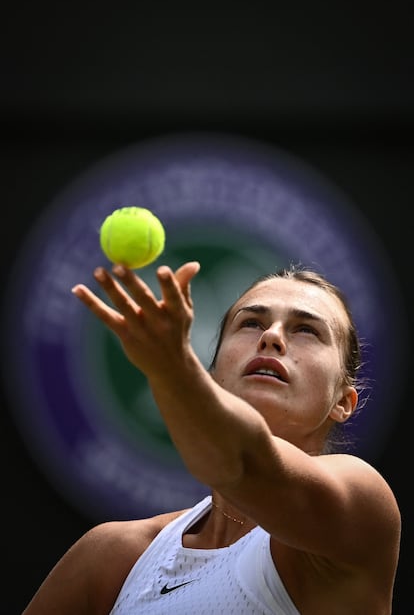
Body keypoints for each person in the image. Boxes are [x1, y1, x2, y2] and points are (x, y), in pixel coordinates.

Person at [22, 260, 401, 614]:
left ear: (343, 401)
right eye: (250, 323)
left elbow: (240, 462)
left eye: (306, 330)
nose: (271, 336)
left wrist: (173, 370)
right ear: (216, 373)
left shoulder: (360, 506)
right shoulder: (113, 557)